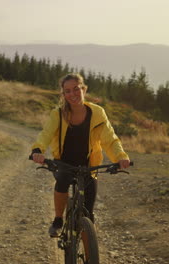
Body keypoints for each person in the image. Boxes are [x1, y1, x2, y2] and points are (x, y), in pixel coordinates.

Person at [30, 73, 130, 237]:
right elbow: (46, 134)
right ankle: (57, 220)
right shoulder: (58, 114)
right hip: (64, 163)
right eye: (67, 91)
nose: (72, 94)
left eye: (76, 89)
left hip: (89, 165)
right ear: (63, 94)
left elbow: (110, 139)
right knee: (62, 180)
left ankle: (90, 256)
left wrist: (120, 157)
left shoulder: (97, 113)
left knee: (88, 217)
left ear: (84, 89)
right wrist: (37, 150)